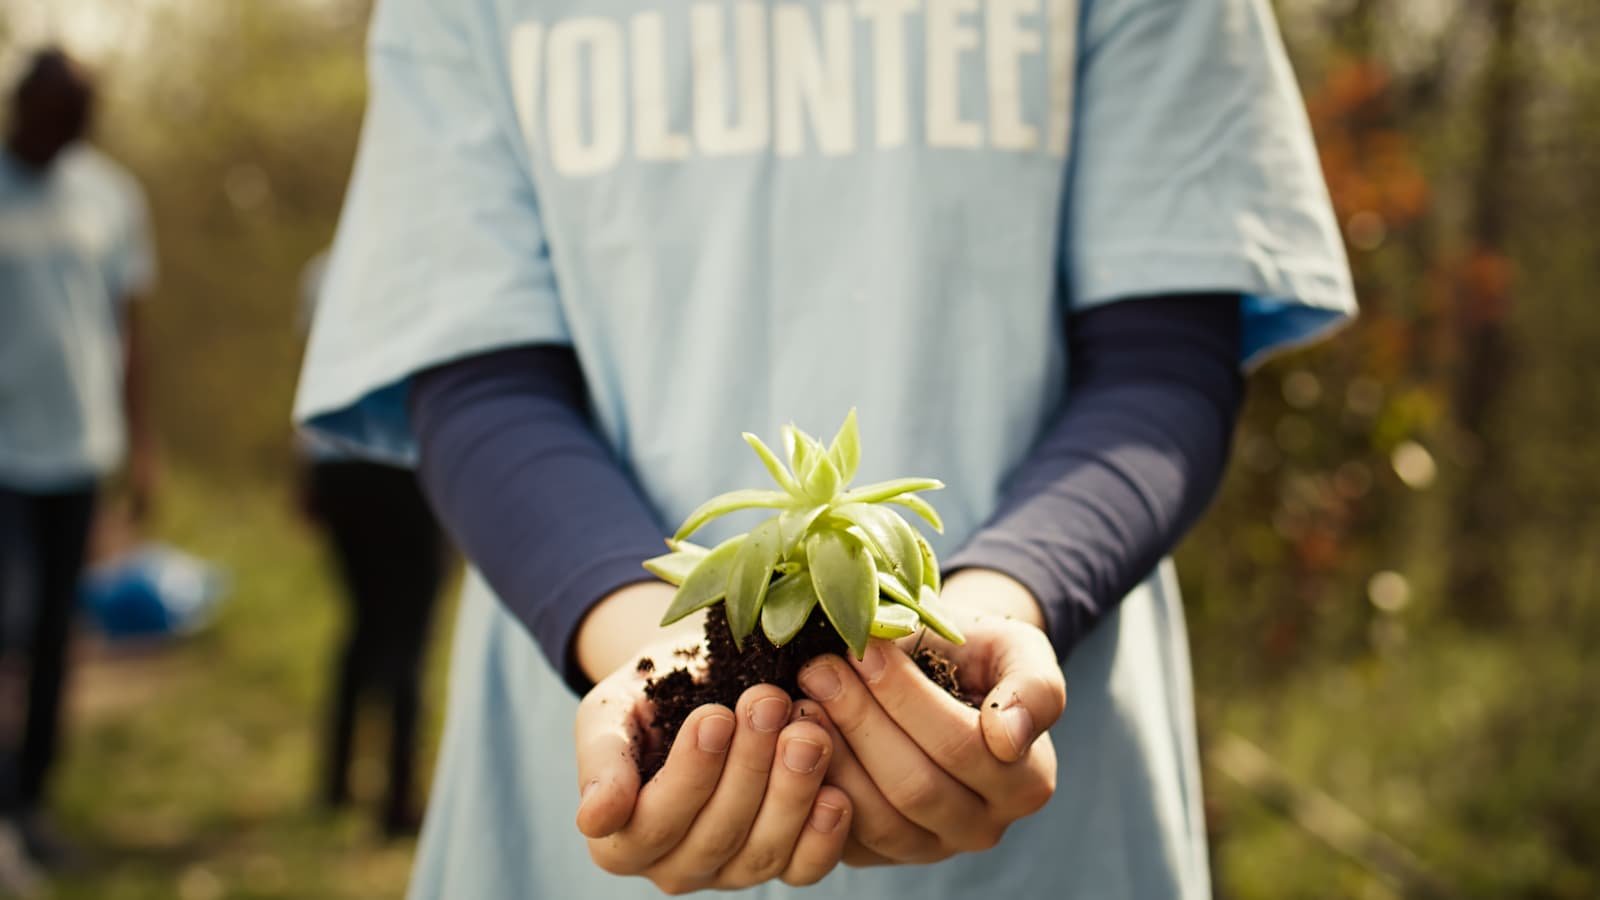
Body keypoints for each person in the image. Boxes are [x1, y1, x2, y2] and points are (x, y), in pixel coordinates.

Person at [296, 0, 1356, 895]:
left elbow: (1161, 359)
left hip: (1043, 806)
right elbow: (478, 375)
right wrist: (654, 664)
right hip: (578, 770)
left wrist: (986, 620)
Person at [0, 48, 157, 870]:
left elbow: (128, 331)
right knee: (9, 626)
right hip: (3, 459)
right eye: (45, 114)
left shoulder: (109, 196)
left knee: (58, 638)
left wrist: (144, 449)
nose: (55, 133)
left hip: (78, 450)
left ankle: (32, 805)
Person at [294, 251, 447, 837]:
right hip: (405, 467)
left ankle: (334, 786)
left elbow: (306, 373)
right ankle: (397, 802)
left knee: (361, 622)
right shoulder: (430, 269)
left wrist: (303, 466)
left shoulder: (322, 271)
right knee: (410, 633)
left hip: (334, 463)